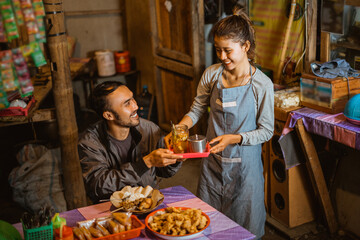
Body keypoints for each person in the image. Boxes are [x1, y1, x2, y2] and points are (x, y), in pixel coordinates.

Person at [165, 6, 274, 239]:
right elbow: (196, 109)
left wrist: (234, 138)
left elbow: (266, 131)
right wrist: (181, 128)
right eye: (218, 50)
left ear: (245, 47)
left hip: (246, 171)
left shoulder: (261, 85)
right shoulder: (212, 75)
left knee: (246, 229)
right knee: (207, 225)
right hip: (212, 164)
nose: (222, 57)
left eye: (228, 50)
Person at [78, 81, 183, 203]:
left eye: (132, 99)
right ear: (109, 115)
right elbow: (98, 186)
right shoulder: (89, 142)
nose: (136, 106)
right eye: (127, 104)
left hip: (148, 204)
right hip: (111, 210)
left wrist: (175, 159)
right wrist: (145, 163)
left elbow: (164, 172)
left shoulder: (149, 129)